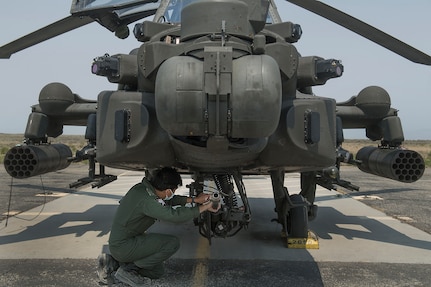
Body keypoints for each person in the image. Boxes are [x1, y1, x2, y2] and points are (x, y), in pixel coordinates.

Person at [97, 167, 219, 286]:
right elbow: (174, 215)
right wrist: (204, 207)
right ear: (168, 190)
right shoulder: (147, 201)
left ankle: (112, 263)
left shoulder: (144, 190)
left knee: (156, 272)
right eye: (174, 190)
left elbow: (168, 201)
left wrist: (195, 200)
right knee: (172, 243)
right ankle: (128, 270)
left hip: (125, 241)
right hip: (123, 246)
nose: (173, 193)